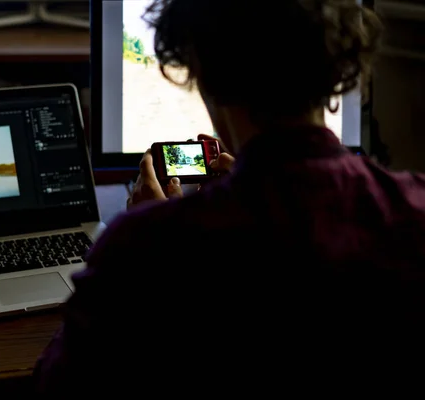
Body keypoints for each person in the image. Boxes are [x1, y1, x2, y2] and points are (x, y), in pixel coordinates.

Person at [33, 0, 425, 395]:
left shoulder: (145, 245)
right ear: (337, 68)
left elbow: (58, 385)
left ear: (203, 72)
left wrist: (153, 237)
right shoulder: (415, 208)